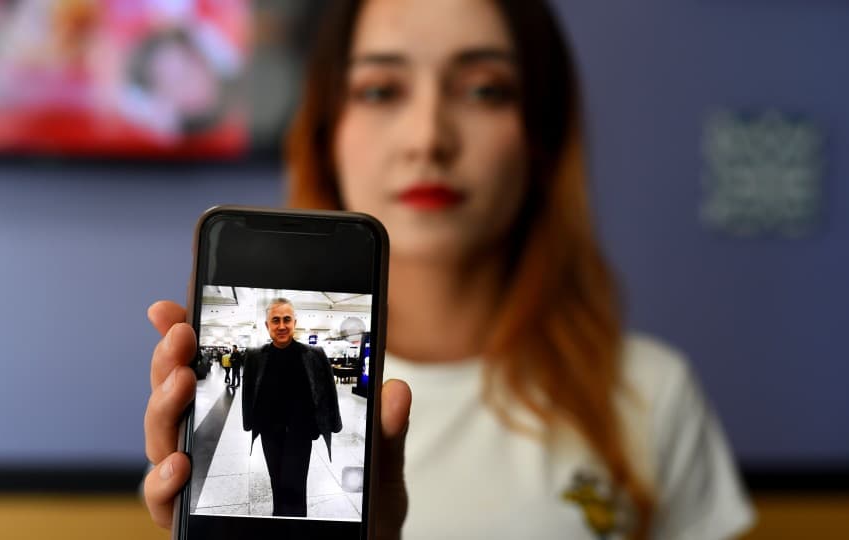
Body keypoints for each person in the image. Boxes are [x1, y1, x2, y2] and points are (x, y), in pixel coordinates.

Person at [143, 1, 754, 538]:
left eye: (484, 90)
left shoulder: (651, 394)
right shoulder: (260, 361)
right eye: (380, 90)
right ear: (328, 132)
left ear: (540, 135)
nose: (428, 138)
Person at [241, 298, 343, 516]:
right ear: (267, 325)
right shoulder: (256, 357)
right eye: (275, 320)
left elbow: (328, 389)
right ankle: (278, 518)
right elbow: (248, 392)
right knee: (276, 480)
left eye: (287, 319)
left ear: (294, 323)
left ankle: (297, 523)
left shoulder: (314, 355)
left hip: (301, 433)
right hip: (270, 433)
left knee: (296, 484)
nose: (281, 326)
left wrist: (333, 424)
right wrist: (249, 422)